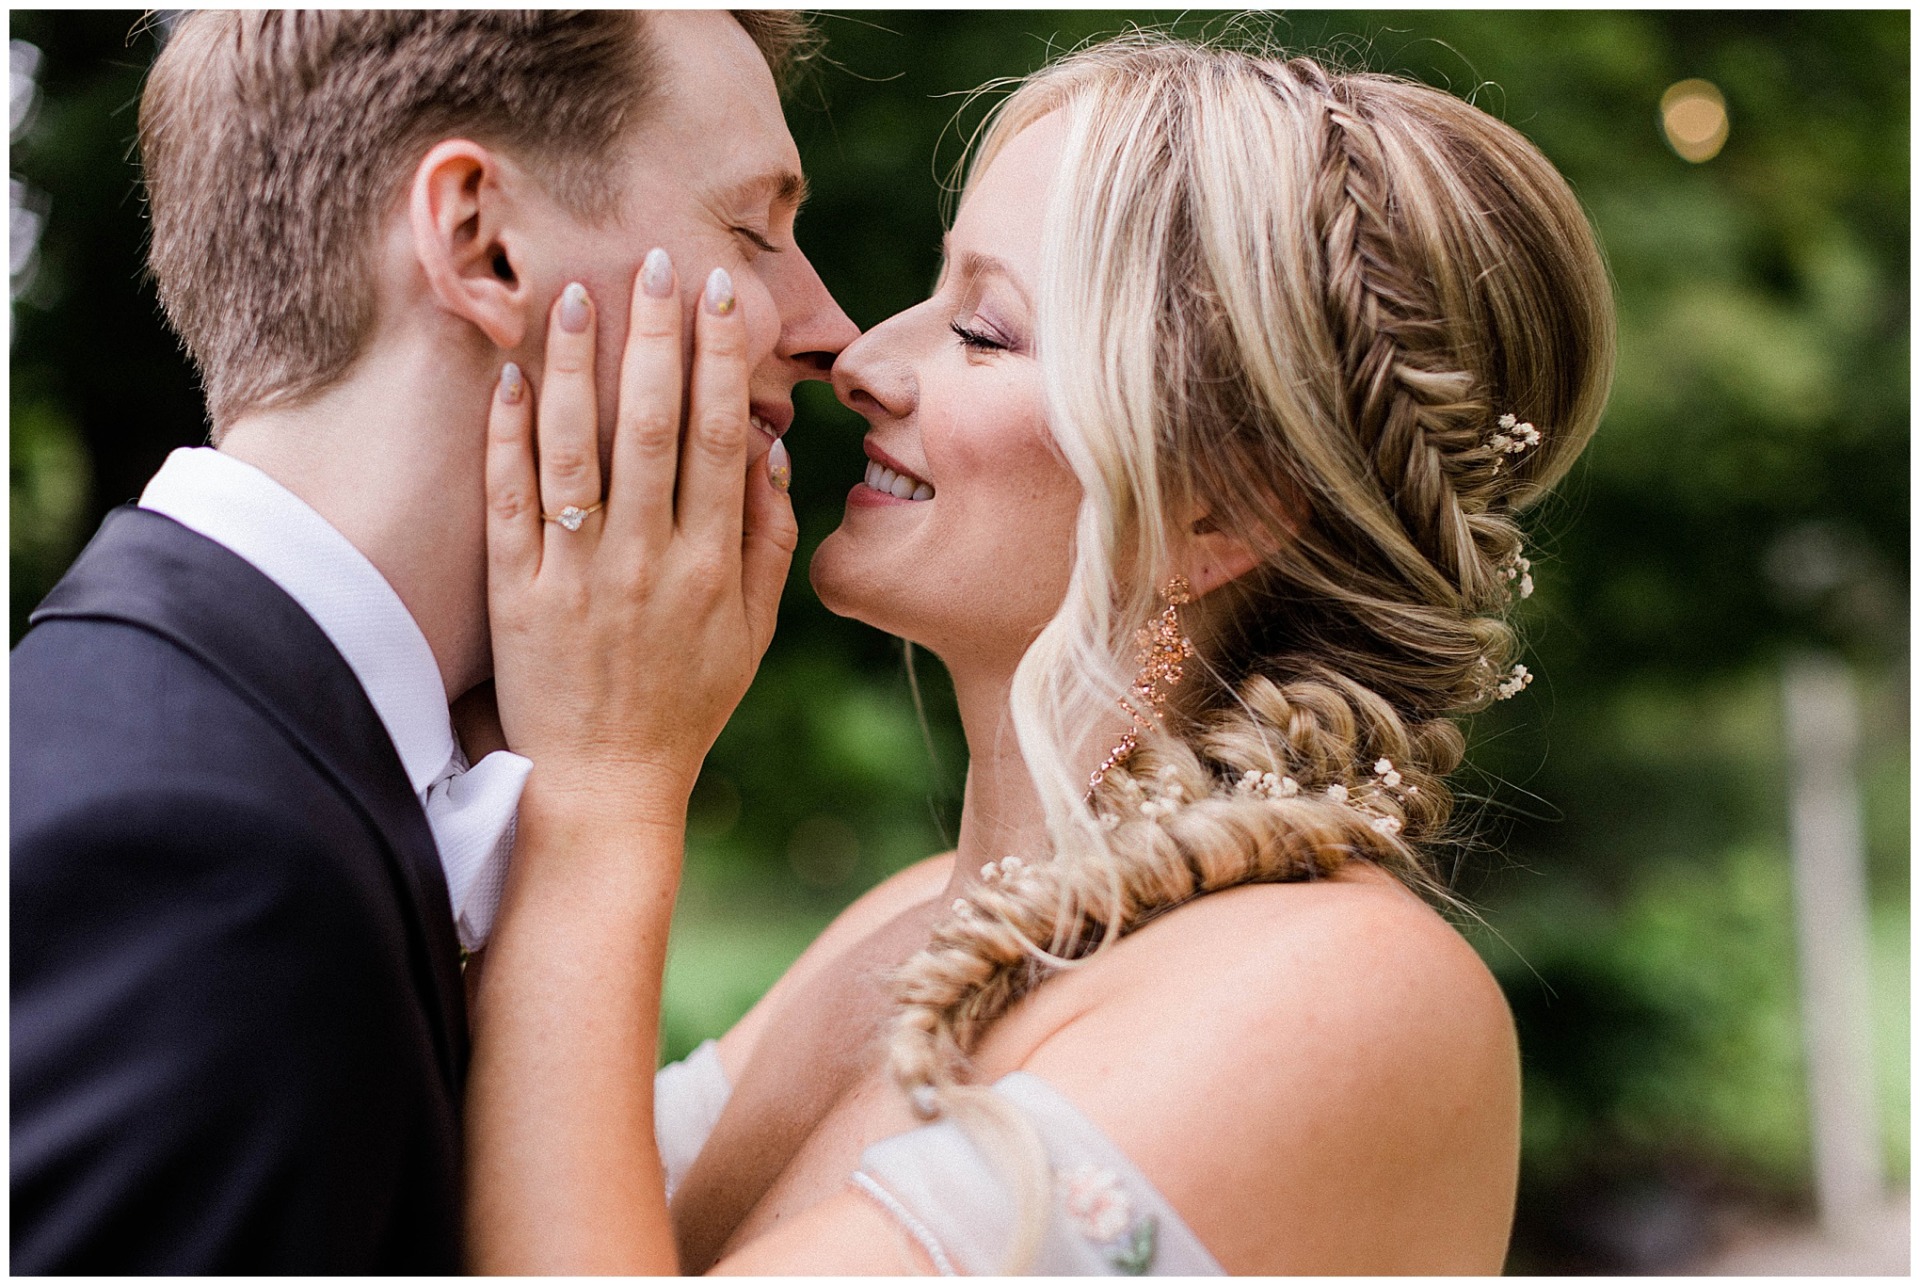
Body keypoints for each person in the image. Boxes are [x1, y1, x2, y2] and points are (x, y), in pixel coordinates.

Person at [463, 33, 1616, 1275]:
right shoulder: (909, 917)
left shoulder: (1342, 994)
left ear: (1223, 501)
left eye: (983, 329)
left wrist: (602, 797)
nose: (861, 361)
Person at [9, 11, 855, 1273]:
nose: (828, 324)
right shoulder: (195, 855)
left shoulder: (236, 750)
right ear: (483, 244)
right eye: (753, 227)